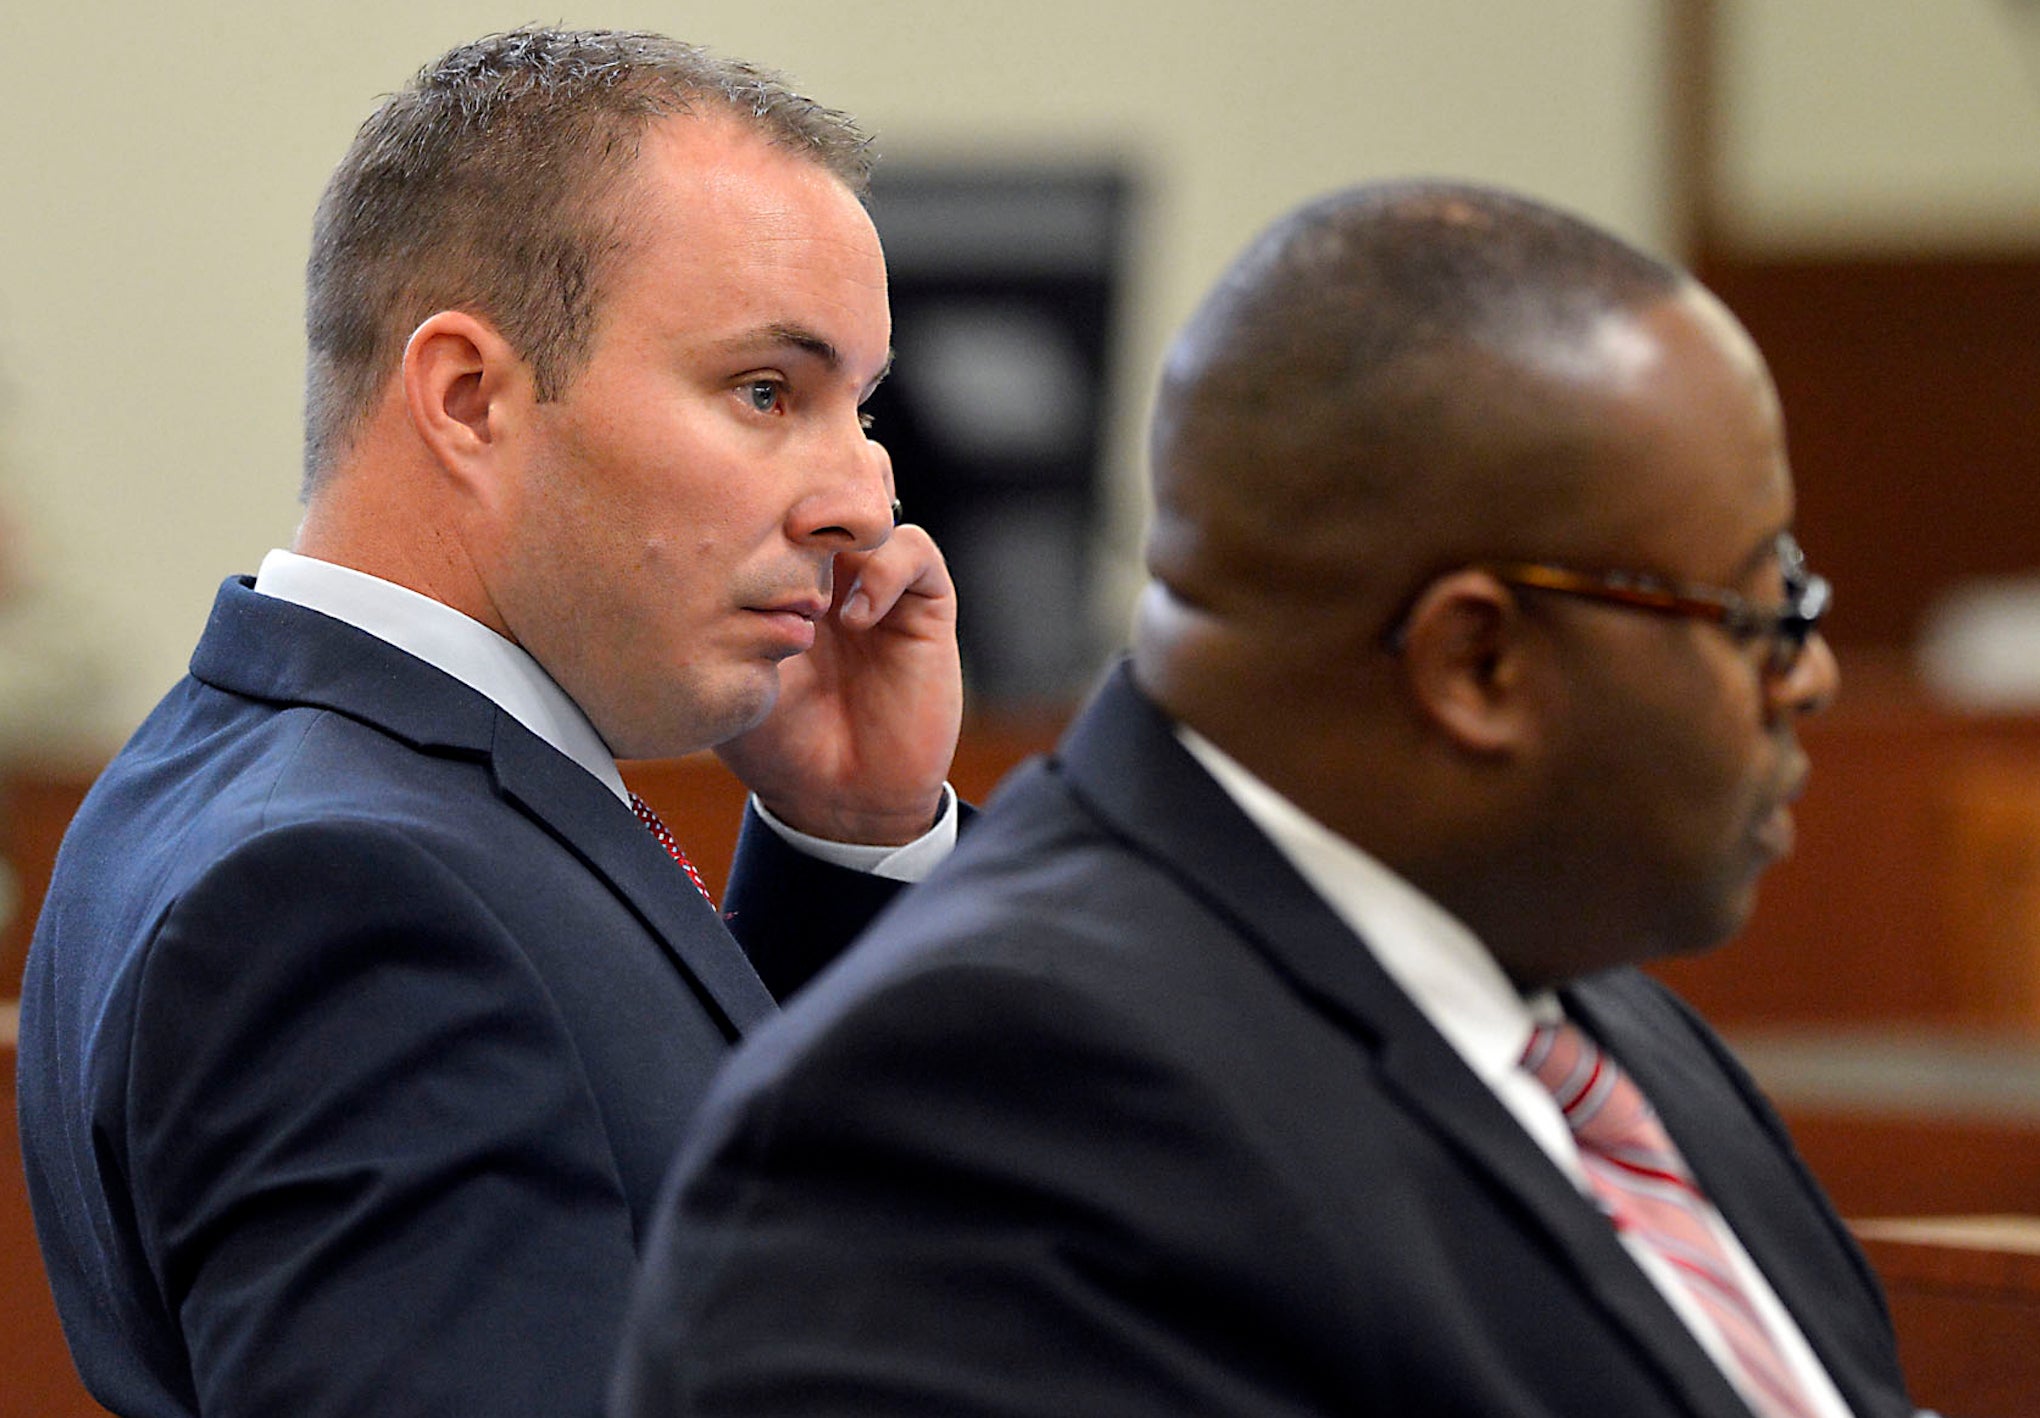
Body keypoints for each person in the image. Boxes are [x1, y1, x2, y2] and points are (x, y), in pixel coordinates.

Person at [612, 181, 1931, 1417]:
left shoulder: (1614, 1031)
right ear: (1476, 662)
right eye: (1762, 606)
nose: (1807, 670)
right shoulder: (976, 1121)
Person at [16, 26, 960, 1418]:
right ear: (468, 398)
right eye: (768, 391)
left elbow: (772, 1257)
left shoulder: (256, 775)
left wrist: (846, 843)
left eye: (859, 406)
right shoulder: (340, 891)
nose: (864, 503)